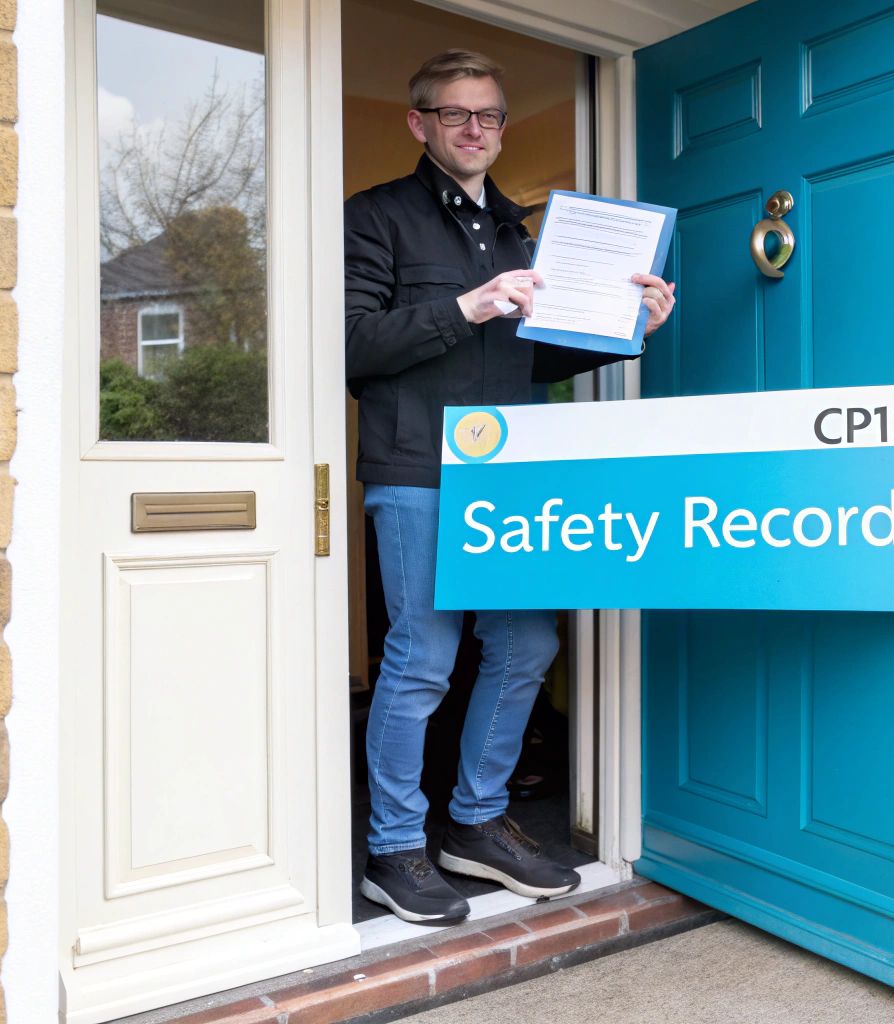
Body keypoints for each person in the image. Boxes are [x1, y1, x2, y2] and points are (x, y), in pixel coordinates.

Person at [344, 49, 676, 924]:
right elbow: (353, 346)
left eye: (489, 116)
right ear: (419, 123)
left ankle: (477, 824)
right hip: (418, 466)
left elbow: (539, 352)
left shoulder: (526, 232)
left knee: (527, 646)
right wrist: (468, 305)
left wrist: (626, 325)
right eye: (456, 115)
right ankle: (394, 847)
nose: (475, 130)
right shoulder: (376, 217)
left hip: (511, 473)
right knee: (420, 664)